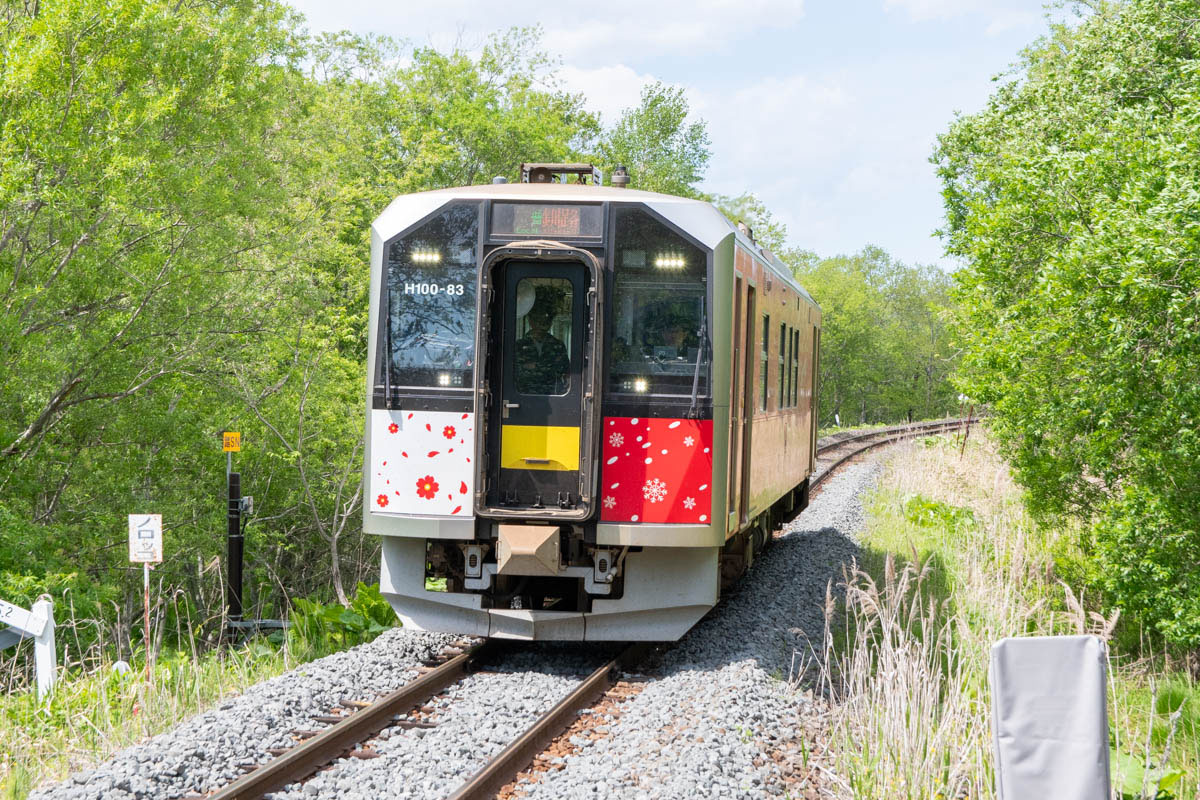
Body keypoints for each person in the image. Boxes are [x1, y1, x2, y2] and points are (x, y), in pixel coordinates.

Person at [515, 291, 569, 394]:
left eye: (545, 321)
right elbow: (514, 373)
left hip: (554, 397)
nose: (541, 325)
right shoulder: (519, 346)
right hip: (523, 397)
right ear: (531, 321)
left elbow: (565, 373)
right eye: (538, 320)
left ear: (550, 323)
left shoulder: (558, 346)